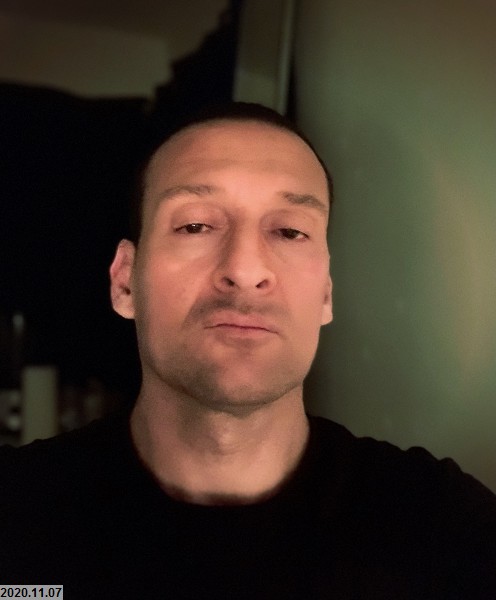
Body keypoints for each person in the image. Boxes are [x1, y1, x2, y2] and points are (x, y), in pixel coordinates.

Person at [1, 102, 495, 599]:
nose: (245, 269)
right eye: (195, 225)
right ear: (125, 282)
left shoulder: (448, 533)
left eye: (290, 231)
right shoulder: (18, 516)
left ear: (325, 295)